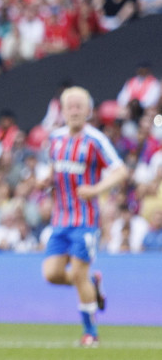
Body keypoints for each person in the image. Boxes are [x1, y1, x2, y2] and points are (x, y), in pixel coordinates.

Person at [39, 86, 129, 348]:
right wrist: (45, 181)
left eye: (80, 106)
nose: (75, 111)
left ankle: (91, 334)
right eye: (70, 106)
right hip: (60, 221)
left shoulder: (95, 140)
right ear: (63, 111)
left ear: (89, 111)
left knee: (79, 272)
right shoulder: (55, 139)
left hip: (85, 222)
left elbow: (120, 170)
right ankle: (93, 284)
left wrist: (97, 190)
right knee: (52, 274)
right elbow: (53, 171)